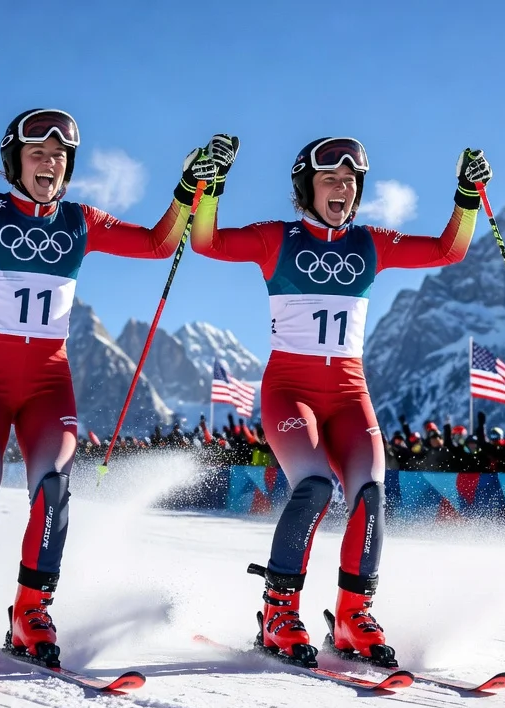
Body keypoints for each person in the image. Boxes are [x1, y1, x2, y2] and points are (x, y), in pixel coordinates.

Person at [0, 82, 206, 668]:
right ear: (14, 161)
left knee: (52, 488)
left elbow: (159, 245)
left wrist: (187, 192)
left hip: (49, 382)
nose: (49, 162)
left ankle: (31, 611)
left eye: (59, 155)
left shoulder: (82, 221)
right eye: (37, 153)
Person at [191, 132, 487, 665]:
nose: (343, 187)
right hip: (290, 391)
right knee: (314, 485)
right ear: (306, 187)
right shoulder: (275, 238)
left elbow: (449, 249)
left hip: (350, 393)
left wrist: (467, 196)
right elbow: (206, 242)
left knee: (370, 493)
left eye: (350, 180)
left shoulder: (370, 243)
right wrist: (209, 184)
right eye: (330, 178)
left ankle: (353, 615)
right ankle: (278, 613)